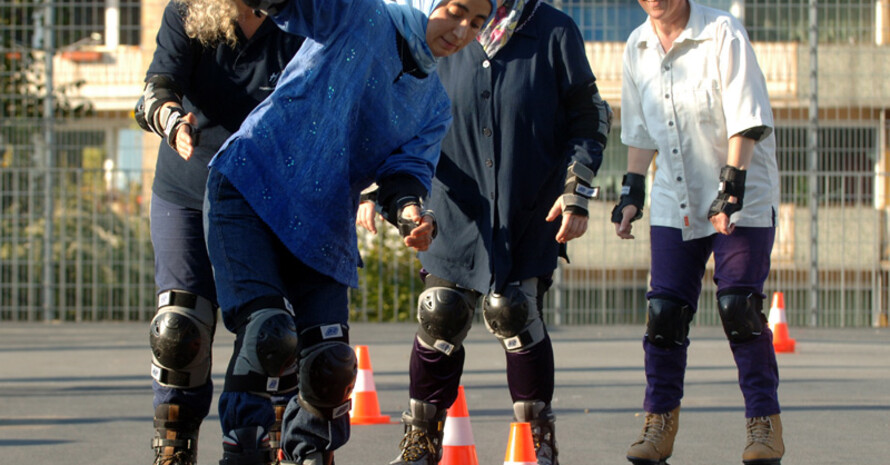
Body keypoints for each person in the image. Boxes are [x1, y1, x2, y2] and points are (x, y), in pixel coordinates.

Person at [203, 0, 497, 464]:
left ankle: (311, 456)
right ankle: (244, 452)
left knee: (330, 366)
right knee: (269, 334)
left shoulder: (434, 105)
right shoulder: (360, 14)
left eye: (476, 24)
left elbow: (404, 173)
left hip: (322, 219)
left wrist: (410, 213)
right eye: (456, 11)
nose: (461, 31)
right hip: (252, 185)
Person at [358, 1, 611, 463]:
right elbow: (392, 110)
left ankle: (537, 441)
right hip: (451, 207)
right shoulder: (443, 29)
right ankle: (420, 442)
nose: (468, 26)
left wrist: (577, 187)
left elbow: (589, 113)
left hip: (530, 207)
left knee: (514, 311)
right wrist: (375, 189)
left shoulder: (553, 30)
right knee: (442, 313)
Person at [612, 1, 784, 464]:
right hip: (676, 194)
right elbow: (639, 132)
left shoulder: (722, 32)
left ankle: (763, 425)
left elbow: (746, 116)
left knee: (738, 307)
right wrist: (632, 194)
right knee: (664, 313)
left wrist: (731, 188)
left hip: (740, 188)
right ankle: (658, 422)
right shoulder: (637, 46)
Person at [136, 1, 303, 464]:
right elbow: (157, 86)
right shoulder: (188, 12)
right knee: (180, 329)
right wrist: (171, 119)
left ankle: (254, 440)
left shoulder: (308, 15)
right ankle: (175, 442)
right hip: (190, 184)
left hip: (270, 192)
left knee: (270, 330)